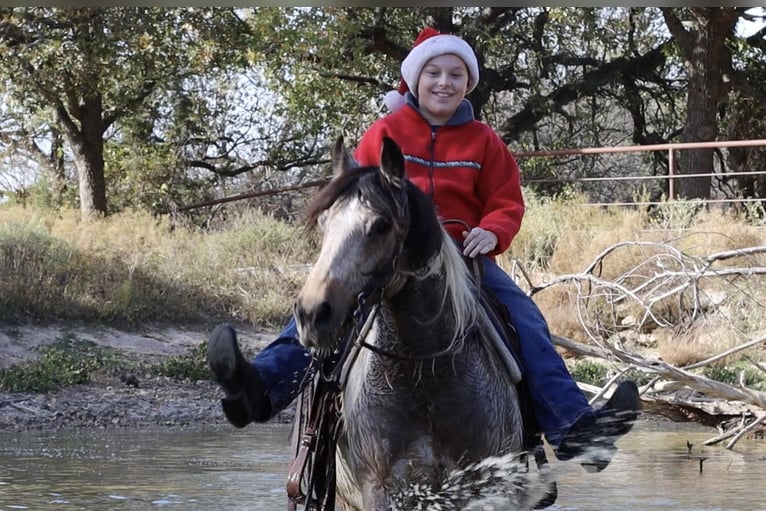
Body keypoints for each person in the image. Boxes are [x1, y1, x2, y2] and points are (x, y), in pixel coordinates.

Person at [207, 27, 640, 471]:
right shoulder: (383, 133)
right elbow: (359, 199)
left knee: (524, 317)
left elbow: (507, 200)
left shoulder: (484, 140)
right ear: (415, 79)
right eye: (433, 72)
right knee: (324, 307)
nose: (444, 82)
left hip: (463, 257)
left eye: (456, 74)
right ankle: (260, 387)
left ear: (468, 84)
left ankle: (574, 430)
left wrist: (492, 231)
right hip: (390, 254)